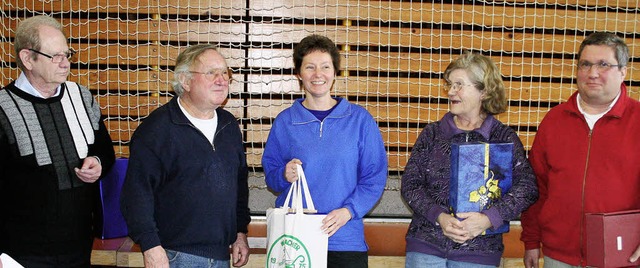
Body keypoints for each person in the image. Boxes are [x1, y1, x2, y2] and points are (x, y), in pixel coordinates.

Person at [401, 52, 538, 267]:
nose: (451, 92)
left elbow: (527, 187)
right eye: (450, 85)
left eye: (459, 85)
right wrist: (439, 217)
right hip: (425, 247)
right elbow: (410, 185)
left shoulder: (503, 137)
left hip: (480, 253)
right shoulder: (432, 134)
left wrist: (489, 218)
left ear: (483, 91)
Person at [262, 34, 387, 268]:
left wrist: (348, 211)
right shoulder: (285, 122)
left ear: (335, 73)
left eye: (325, 67)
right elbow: (271, 175)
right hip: (296, 240)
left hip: (345, 242)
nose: (318, 74)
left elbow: (374, 178)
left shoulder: (360, 120)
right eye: (309, 67)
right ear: (299, 74)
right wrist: (283, 174)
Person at [120, 44, 250, 268]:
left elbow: (239, 185)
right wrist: (150, 247)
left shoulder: (229, 125)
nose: (221, 80)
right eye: (211, 73)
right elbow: (137, 194)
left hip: (221, 256)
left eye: (225, 73)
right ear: (185, 81)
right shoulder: (157, 129)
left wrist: (240, 232)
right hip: (173, 256)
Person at [0, 15, 116, 268]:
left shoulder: (82, 97)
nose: (65, 64)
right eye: (55, 56)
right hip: (20, 252)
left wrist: (97, 162)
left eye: (67, 54)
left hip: (78, 245)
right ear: (27, 58)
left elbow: (104, 150)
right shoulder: (2, 107)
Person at [520, 32, 640, 267]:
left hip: (621, 256)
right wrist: (531, 241)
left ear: (623, 71)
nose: (592, 73)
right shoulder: (554, 121)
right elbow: (536, 186)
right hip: (559, 257)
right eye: (585, 64)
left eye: (603, 64)